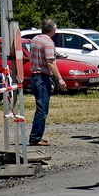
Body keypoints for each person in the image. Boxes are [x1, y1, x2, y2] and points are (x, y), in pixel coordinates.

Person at [28, 18, 67, 147]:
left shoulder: (35, 39)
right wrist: (60, 79)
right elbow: (51, 63)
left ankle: (36, 136)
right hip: (42, 78)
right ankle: (35, 138)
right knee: (42, 109)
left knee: (40, 107)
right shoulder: (48, 42)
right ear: (53, 29)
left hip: (34, 76)